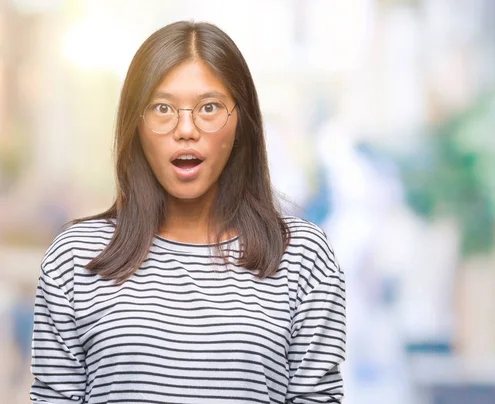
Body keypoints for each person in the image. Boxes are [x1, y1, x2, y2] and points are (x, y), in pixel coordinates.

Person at [30, 21, 346, 404]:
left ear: (241, 124)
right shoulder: (75, 256)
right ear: (136, 123)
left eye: (209, 107)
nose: (185, 129)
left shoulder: (302, 256)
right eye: (162, 108)